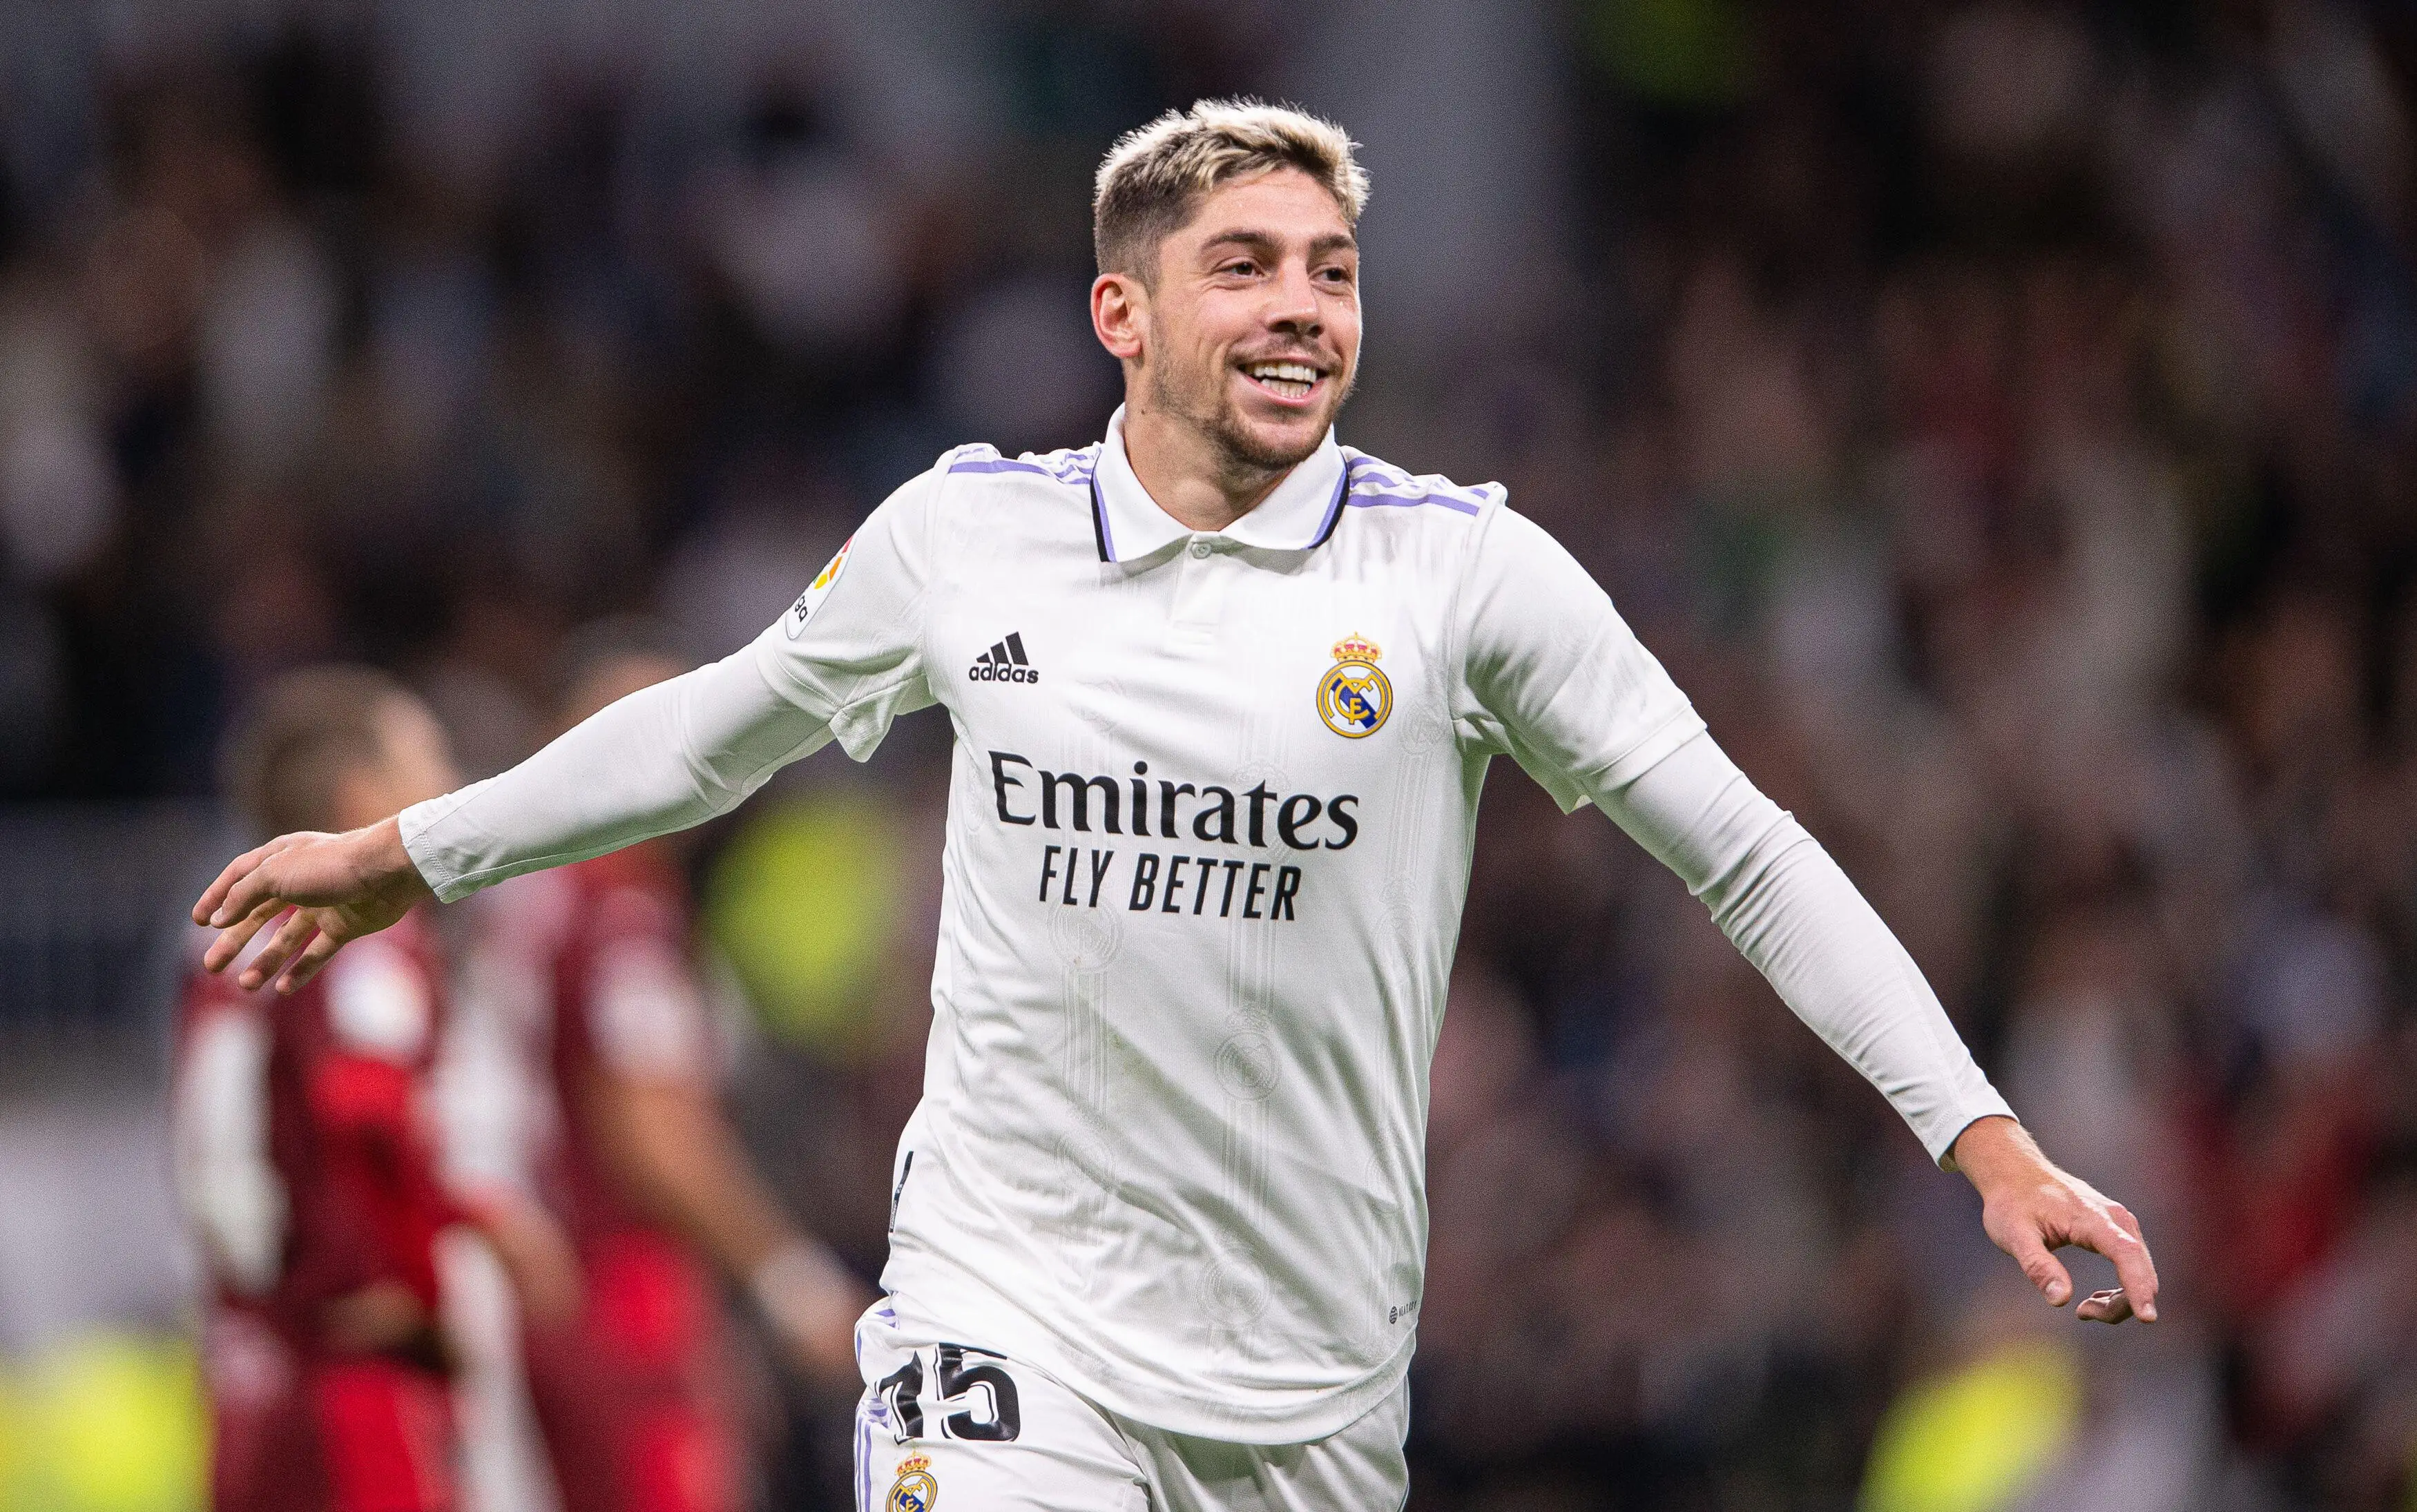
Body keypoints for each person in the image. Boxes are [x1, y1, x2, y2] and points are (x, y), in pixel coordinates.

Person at [191, 101, 2161, 1512]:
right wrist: (399, 851)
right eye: (1244, 267)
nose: (1302, 306)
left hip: (1309, 1385)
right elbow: (713, 730)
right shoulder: (968, 538)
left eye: (1332, 269)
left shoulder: (1465, 575)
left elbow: (1737, 844)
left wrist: (1975, 1133)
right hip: (1005, 1317)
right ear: (1120, 315)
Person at [460, 630, 869, 1512]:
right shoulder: (620, 913)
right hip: (618, 1291)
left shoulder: (530, 893)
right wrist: (789, 1283)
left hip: (538, 1280)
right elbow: (652, 1137)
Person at [173, 666, 577, 1512]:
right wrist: (413, 1289)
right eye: (425, 759)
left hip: (252, 1353)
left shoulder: (220, 939)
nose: (446, 785)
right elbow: (363, 1111)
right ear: (364, 790)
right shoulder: (354, 937)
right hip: (352, 1355)